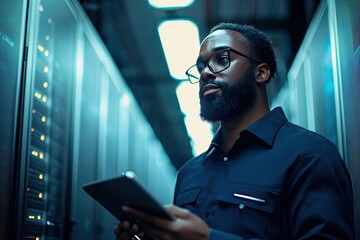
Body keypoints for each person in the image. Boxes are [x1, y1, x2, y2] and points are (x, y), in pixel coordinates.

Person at [114, 23, 355, 239]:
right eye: (201, 66)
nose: (206, 72)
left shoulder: (309, 155)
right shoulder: (189, 173)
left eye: (222, 59)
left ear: (261, 72)